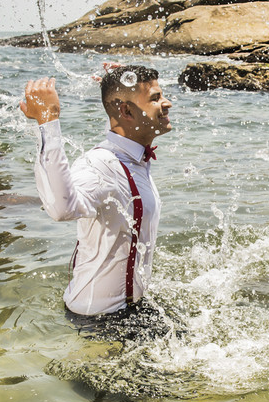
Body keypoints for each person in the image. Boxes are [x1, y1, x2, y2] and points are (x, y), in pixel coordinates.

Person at [21, 65, 173, 330]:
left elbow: (118, 126)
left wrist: (119, 82)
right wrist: (48, 121)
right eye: (155, 98)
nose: (167, 103)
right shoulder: (101, 165)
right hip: (98, 322)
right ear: (127, 111)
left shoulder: (132, 156)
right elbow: (61, 208)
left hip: (129, 311)